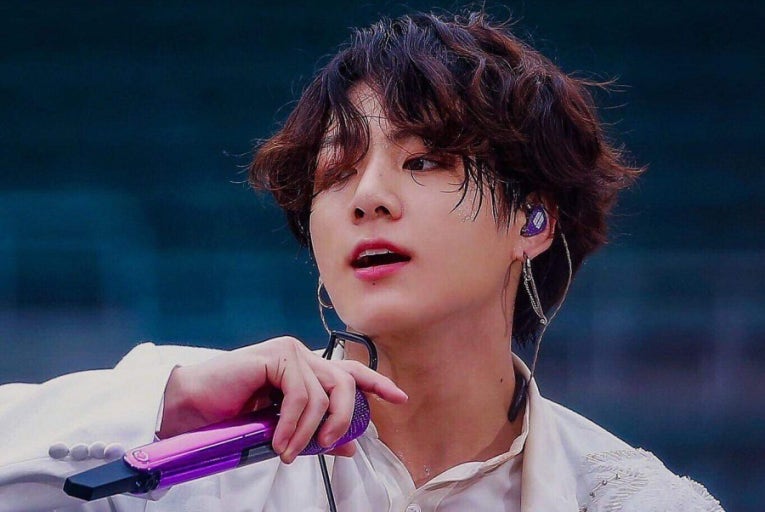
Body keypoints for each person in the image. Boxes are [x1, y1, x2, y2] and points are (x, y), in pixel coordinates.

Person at [0, 10, 724, 512]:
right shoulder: (178, 444)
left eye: (425, 161)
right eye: (336, 172)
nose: (367, 198)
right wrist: (171, 405)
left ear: (532, 220)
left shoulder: (638, 500)